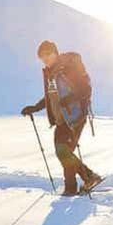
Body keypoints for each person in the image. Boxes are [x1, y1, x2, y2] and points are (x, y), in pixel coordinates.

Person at [21, 40, 102, 196]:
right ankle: (77, 185)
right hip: (61, 119)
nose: (45, 59)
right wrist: (35, 107)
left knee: (63, 151)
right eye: (42, 57)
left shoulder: (69, 67)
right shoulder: (50, 73)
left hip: (75, 117)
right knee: (64, 153)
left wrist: (70, 99)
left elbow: (86, 89)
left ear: (55, 53)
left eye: (47, 54)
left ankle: (82, 181)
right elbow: (51, 97)